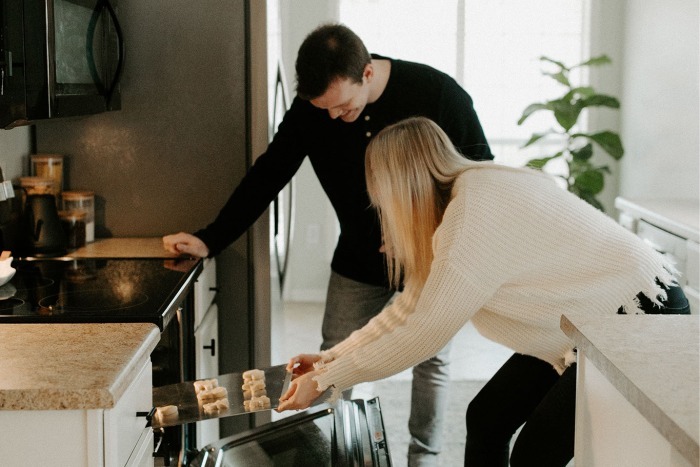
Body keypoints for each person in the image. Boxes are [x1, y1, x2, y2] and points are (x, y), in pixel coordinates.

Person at [163, 23, 492, 465]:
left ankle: (425, 456)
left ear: (368, 73)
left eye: (343, 106)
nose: (334, 117)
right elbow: (269, 173)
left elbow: (479, 176)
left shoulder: (437, 92)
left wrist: (438, 235)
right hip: (357, 258)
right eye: (325, 110)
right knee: (333, 356)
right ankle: (329, 454)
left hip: (431, 255)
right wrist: (210, 238)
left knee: (431, 358)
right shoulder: (312, 111)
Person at [276, 117, 690, 466]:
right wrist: (331, 358)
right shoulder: (464, 200)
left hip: (639, 312)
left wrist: (330, 378)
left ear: (400, 185)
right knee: (487, 416)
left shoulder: (473, 214)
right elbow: (410, 309)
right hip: (589, 324)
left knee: (536, 451)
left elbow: (422, 333)